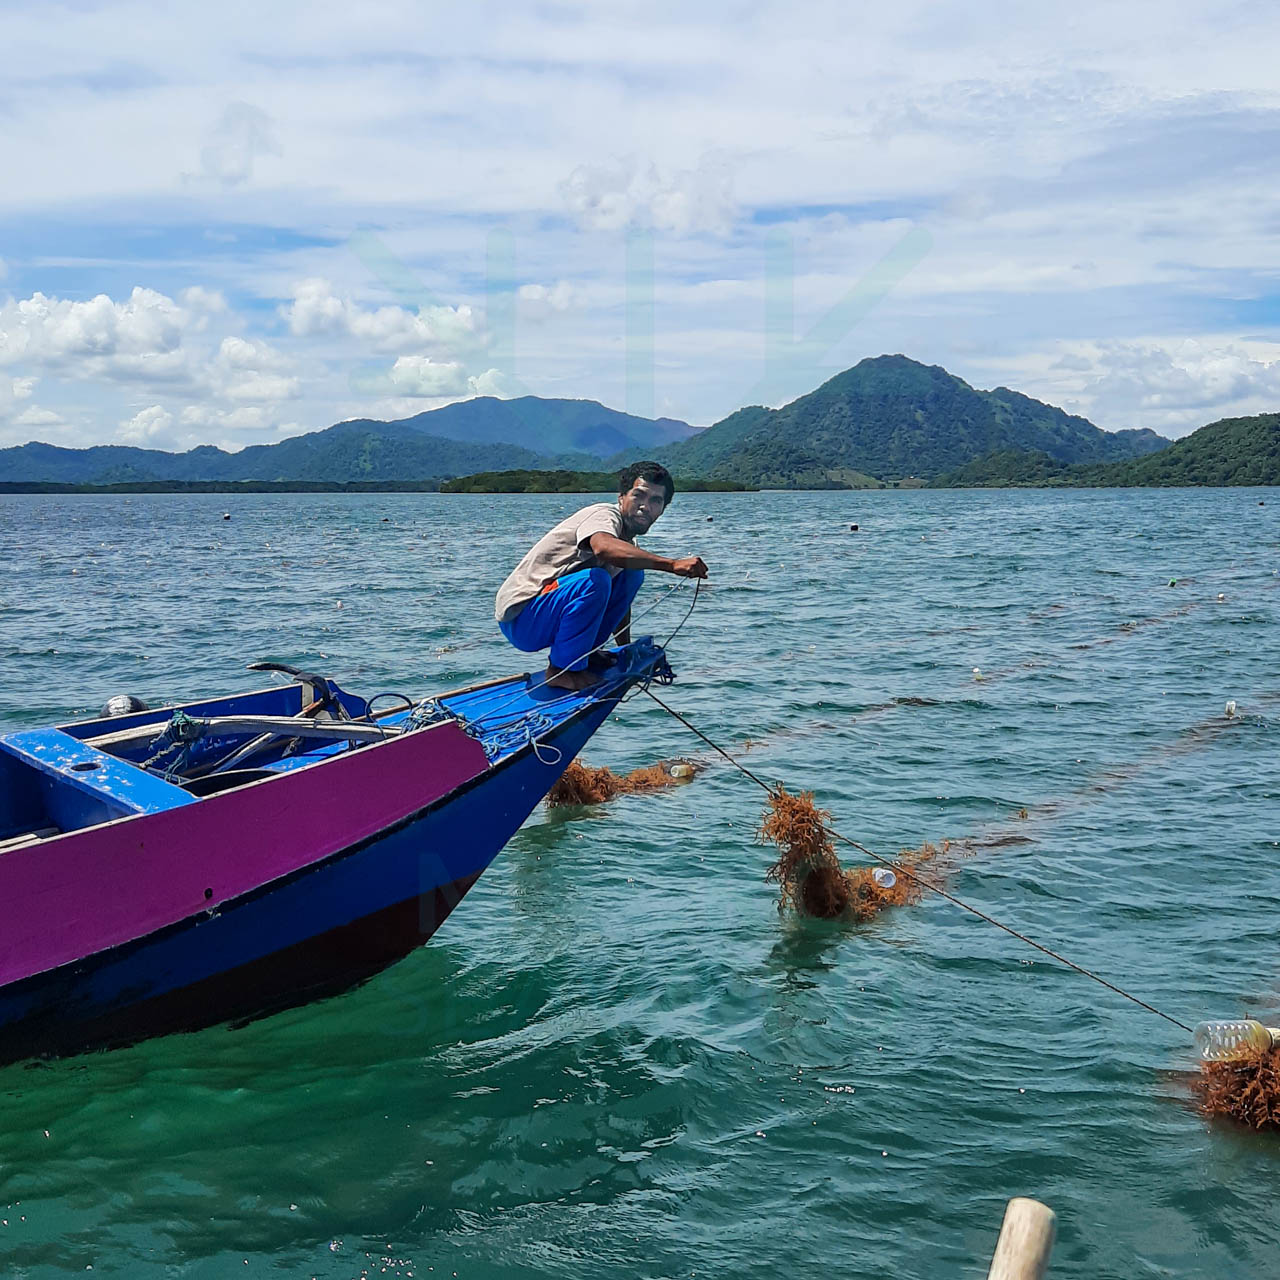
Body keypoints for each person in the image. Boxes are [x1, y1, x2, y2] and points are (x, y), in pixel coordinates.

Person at [495, 461, 709, 690]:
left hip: (547, 612)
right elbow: (603, 547)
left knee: (631, 571)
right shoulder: (604, 515)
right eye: (638, 496)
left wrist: (624, 648)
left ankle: (587, 653)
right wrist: (672, 564)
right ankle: (560, 671)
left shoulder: (627, 541)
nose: (645, 506)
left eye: (655, 501)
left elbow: (620, 597)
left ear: (663, 509)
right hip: (522, 618)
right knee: (595, 580)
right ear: (621, 498)